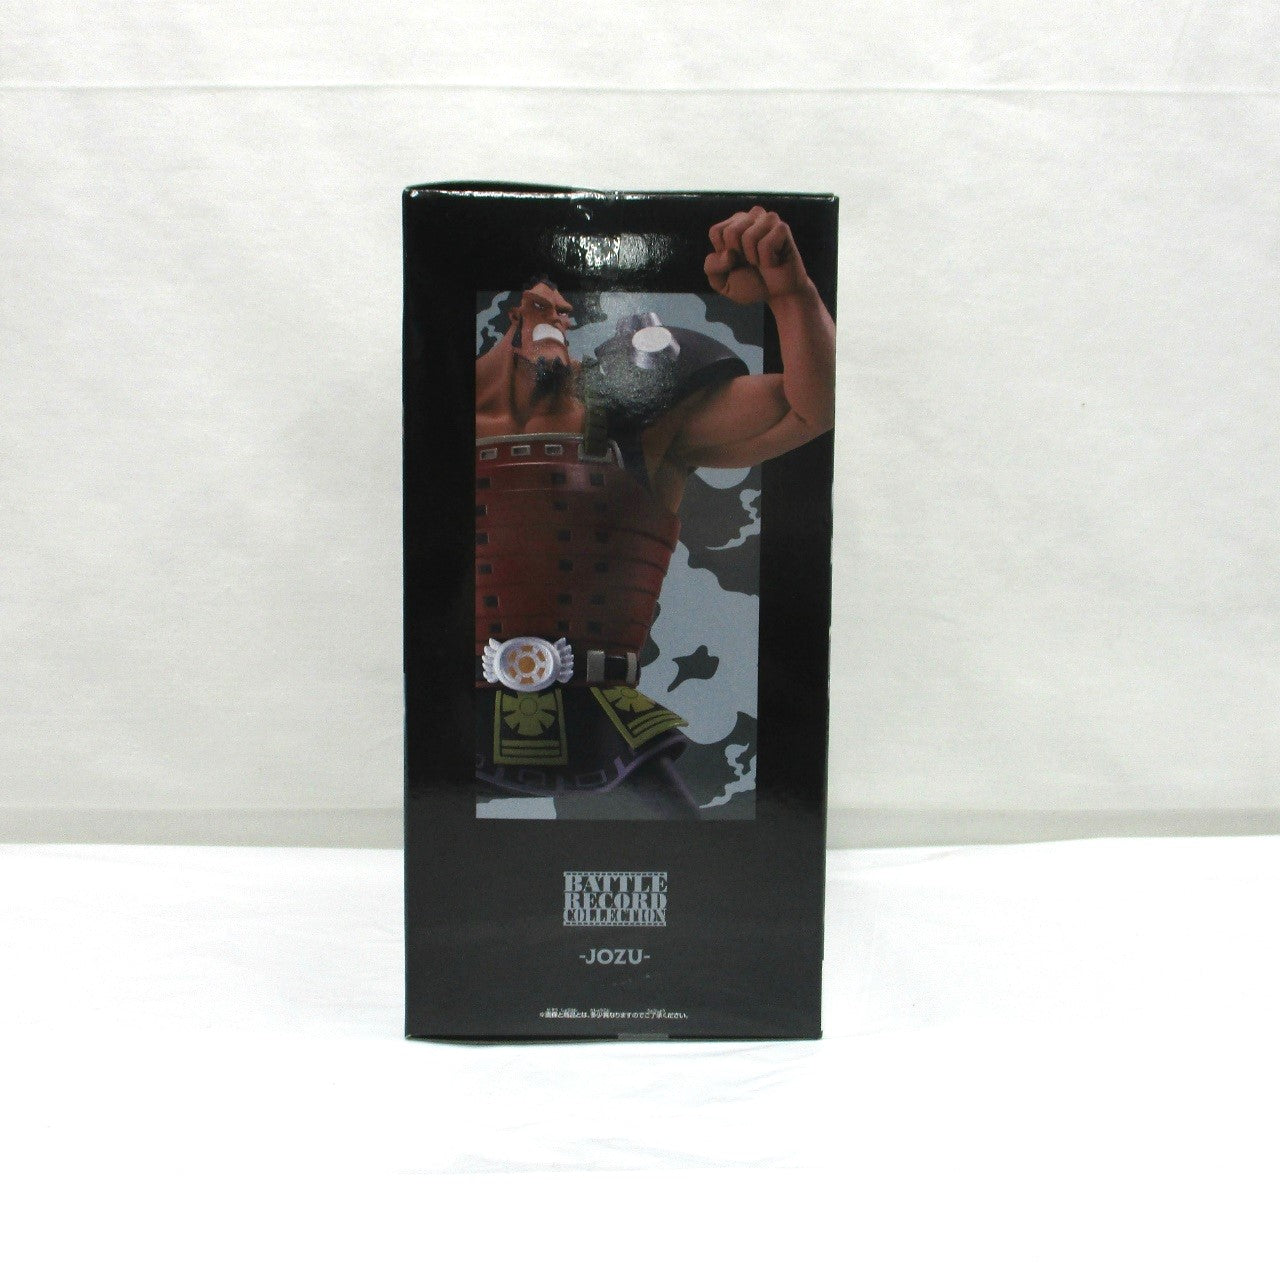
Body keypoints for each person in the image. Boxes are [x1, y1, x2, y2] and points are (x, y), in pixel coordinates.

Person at [475, 207, 835, 817]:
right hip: (453, 715)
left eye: (562, 309)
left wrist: (790, 292)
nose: (555, 313)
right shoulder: (431, 415)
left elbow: (810, 408)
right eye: (538, 305)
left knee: (692, 866)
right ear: (511, 316)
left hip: (606, 719)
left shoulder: (635, 409)